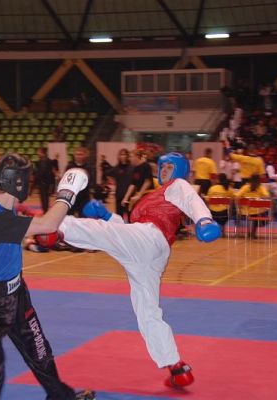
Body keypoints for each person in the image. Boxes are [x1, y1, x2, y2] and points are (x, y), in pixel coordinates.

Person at [57, 152, 221, 388]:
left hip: (151, 238)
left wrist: (204, 220)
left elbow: (191, 200)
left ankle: (56, 227)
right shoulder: (153, 195)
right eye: (162, 167)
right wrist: (107, 214)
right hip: (148, 251)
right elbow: (129, 231)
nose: (164, 171)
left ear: (179, 170)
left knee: (103, 233)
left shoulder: (178, 185)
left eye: (169, 167)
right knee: (147, 311)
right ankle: (176, 367)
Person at [0, 153, 94, 400]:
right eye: (27, 177)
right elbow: (49, 225)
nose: (30, 182)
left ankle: (60, 397)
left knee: (40, 352)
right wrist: (67, 192)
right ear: (17, 181)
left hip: (17, 294)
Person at [235, 174, 270, 239]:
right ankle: (253, 232)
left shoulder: (245, 187)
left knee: (253, 214)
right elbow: (267, 196)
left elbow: (237, 196)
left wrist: (239, 205)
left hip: (244, 211)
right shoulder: (260, 187)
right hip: (257, 211)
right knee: (260, 214)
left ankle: (249, 232)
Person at [106, 148, 133, 217]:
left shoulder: (132, 168)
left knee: (130, 216)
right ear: (119, 156)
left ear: (127, 156)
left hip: (130, 195)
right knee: (119, 216)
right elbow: (107, 174)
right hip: (119, 195)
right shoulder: (116, 168)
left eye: (124, 154)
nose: (123, 156)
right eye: (121, 154)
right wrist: (112, 181)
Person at [34, 147, 56, 213]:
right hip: (44, 182)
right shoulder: (42, 161)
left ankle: (45, 211)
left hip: (45, 182)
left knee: (44, 198)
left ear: (42, 152)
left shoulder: (46, 161)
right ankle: (45, 210)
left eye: (39, 152)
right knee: (44, 198)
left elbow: (45, 173)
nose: (37, 153)